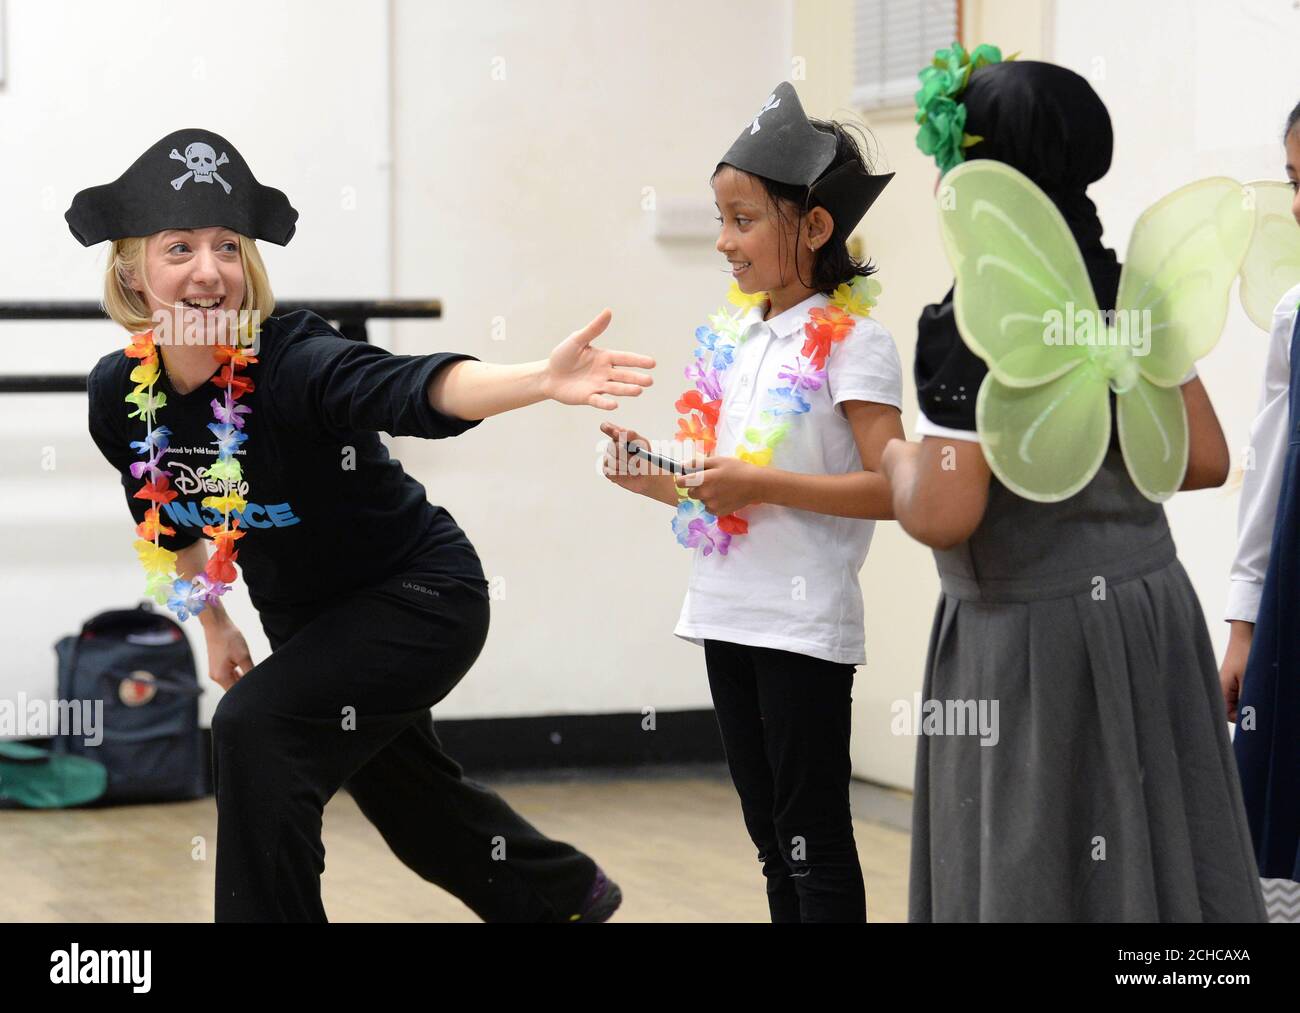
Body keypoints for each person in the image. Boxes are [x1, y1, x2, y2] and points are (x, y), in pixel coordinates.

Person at [73, 127, 654, 922]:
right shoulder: (120, 394)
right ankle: (562, 897)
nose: (209, 272)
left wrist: (540, 379)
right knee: (412, 803)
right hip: (311, 622)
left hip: (420, 595)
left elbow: (408, 387)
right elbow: (160, 516)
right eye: (179, 249)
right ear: (133, 275)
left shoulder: (292, 360)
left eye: (227, 247)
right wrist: (210, 622)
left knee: (253, 733)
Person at [882, 50, 1267, 921]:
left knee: (1038, 862)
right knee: (1153, 859)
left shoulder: (973, 320)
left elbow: (946, 510)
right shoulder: (1131, 288)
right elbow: (1202, 458)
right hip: (1150, 612)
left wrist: (892, 454)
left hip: (1030, 640)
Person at [601, 83, 903, 922]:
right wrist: (651, 473)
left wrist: (760, 481)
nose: (725, 242)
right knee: (770, 835)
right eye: (720, 219)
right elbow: (719, 487)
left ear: (814, 225)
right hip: (726, 611)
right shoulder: (737, 337)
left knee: (813, 834)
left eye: (744, 219)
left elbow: (893, 487)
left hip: (803, 626)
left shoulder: (857, 342)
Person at [1220, 98, 1300, 895]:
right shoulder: (1295, 315)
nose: (1299, 204)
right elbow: (1269, 472)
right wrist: (1245, 623)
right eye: (1293, 179)